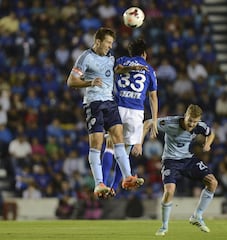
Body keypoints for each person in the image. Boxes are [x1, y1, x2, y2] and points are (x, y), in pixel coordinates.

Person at [66, 27, 144, 198]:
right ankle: (99, 184)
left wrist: (130, 69)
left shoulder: (110, 57)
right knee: (97, 143)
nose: (110, 46)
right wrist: (90, 83)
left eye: (111, 43)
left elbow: (114, 70)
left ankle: (127, 177)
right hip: (93, 104)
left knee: (119, 138)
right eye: (108, 43)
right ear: (98, 42)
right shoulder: (85, 57)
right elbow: (71, 81)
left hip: (109, 102)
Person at [142, 104, 217, 236]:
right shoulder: (170, 122)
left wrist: (207, 144)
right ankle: (164, 226)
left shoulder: (200, 126)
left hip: (188, 159)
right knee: (169, 191)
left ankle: (197, 216)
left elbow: (210, 133)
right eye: (190, 120)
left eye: (195, 121)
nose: (192, 124)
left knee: (213, 182)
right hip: (170, 160)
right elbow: (148, 123)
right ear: (185, 116)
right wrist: (139, 142)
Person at [101, 38, 158, 197]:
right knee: (124, 152)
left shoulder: (122, 60)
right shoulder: (150, 70)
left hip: (118, 107)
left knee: (111, 146)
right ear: (145, 54)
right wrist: (154, 120)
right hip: (136, 113)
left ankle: (103, 184)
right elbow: (153, 97)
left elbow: (115, 70)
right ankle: (114, 187)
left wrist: (129, 68)